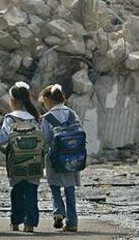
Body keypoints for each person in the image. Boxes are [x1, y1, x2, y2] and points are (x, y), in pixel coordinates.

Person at [0, 81, 43, 233]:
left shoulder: (10, 118)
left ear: (13, 100)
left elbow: (2, 139)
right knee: (31, 191)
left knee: (17, 191)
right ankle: (30, 223)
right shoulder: (34, 118)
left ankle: (16, 222)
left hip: (16, 160)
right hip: (34, 160)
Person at [39, 84, 81, 232]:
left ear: (48, 99)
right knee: (70, 188)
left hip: (54, 157)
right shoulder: (72, 114)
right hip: (72, 157)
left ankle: (58, 212)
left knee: (54, 185)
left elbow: (44, 138)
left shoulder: (47, 117)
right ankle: (72, 222)